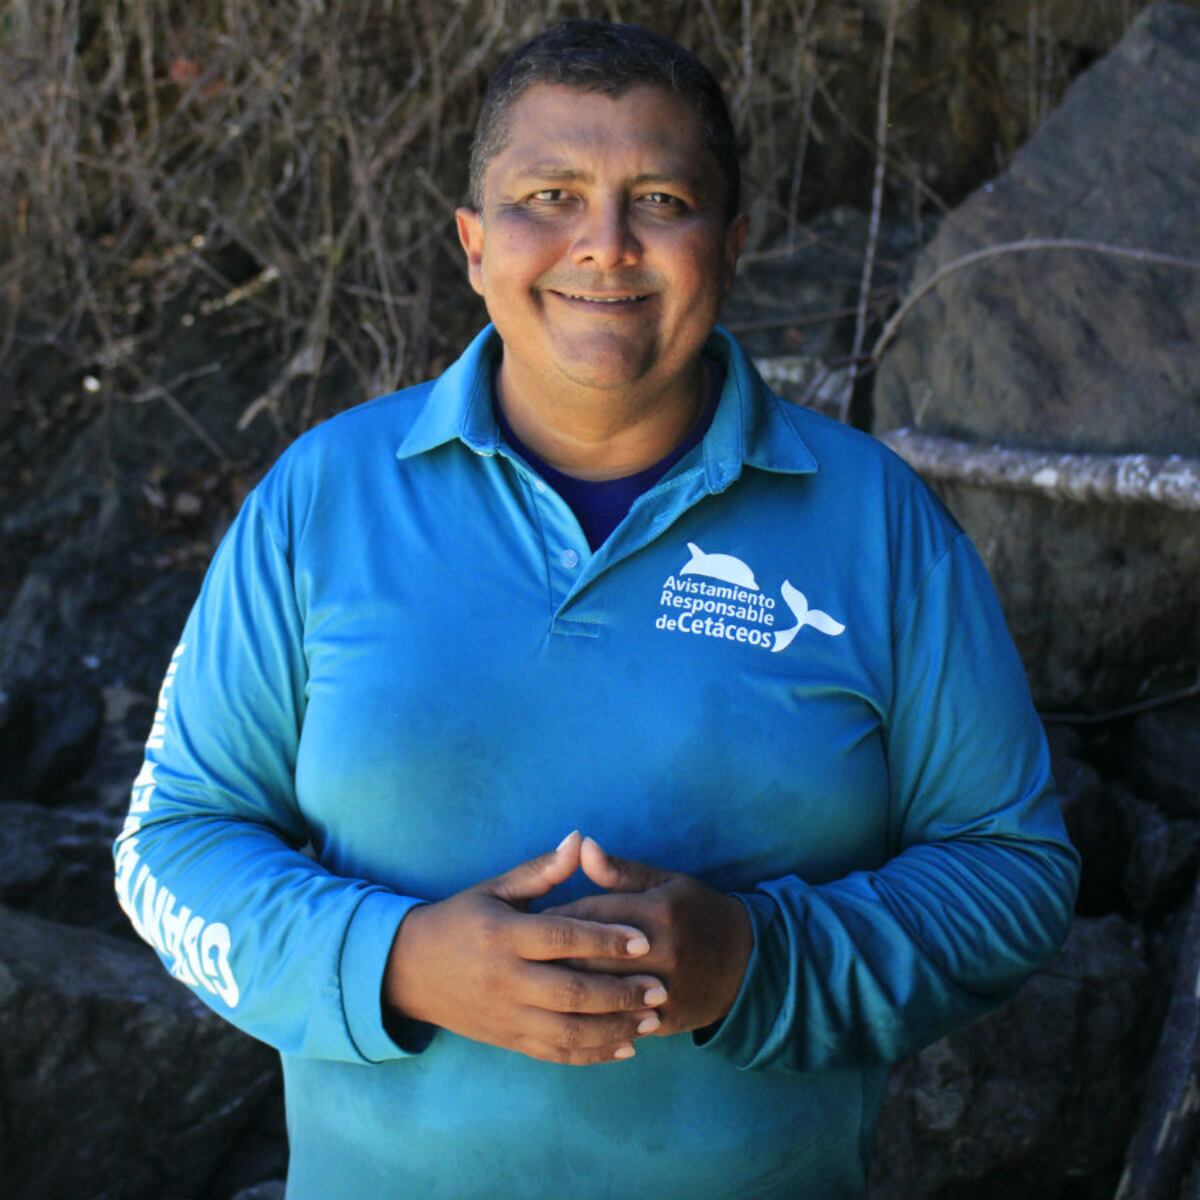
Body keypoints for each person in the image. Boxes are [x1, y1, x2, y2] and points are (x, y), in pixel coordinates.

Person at [113, 19, 1079, 1200]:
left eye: (659, 198)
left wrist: (756, 964)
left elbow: (1014, 871)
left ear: (728, 245)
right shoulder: (323, 501)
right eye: (549, 194)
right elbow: (169, 846)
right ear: (474, 244)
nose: (604, 247)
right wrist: (396, 962)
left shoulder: (876, 526)